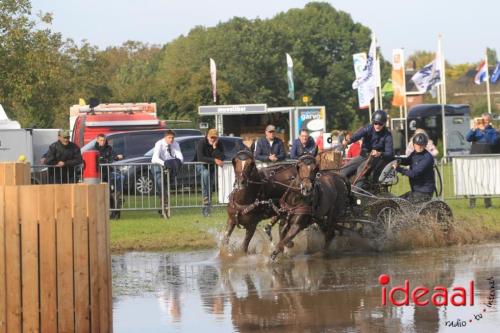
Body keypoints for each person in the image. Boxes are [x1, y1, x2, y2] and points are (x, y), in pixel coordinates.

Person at [340, 110, 393, 188]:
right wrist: (348, 141)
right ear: (373, 122)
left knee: (361, 169)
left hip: (376, 159)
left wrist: (379, 153)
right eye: (375, 123)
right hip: (362, 156)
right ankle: (343, 190)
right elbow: (357, 135)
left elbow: (390, 153)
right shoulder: (367, 128)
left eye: (380, 124)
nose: (377, 126)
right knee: (343, 170)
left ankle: (357, 193)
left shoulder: (387, 135)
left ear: (384, 124)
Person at [465, 113, 498, 208]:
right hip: (474, 159)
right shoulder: (476, 130)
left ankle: (488, 204)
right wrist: (473, 129)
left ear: (489, 120)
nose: (484, 122)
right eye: (483, 120)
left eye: (486, 120)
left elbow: (493, 142)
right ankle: (472, 204)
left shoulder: (493, 131)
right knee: (473, 180)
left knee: (486, 182)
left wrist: (484, 131)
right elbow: (467, 138)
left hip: (487, 160)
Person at [394, 133, 435, 203]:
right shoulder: (415, 153)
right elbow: (407, 160)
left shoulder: (427, 158)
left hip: (424, 193)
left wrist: (399, 169)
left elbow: (414, 174)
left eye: (422, 145)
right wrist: (396, 159)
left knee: (401, 204)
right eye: (417, 144)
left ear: (425, 145)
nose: (419, 147)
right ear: (414, 145)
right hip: (416, 191)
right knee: (395, 202)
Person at [196, 128, 225, 217]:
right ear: (207, 136)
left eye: (215, 137)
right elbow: (201, 157)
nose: (213, 139)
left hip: (211, 167)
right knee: (205, 176)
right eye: (211, 137)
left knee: (210, 188)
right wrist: (214, 160)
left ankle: (207, 209)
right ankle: (206, 208)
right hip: (201, 165)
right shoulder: (202, 143)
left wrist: (215, 148)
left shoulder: (218, 143)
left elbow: (222, 157)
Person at [151, 130, 184, 202]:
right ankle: (163, 201)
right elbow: (154, 159)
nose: (171, 139)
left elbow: (180, 158)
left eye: (172, 138)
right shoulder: (159, 143)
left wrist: (174, 162)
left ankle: (164, 203)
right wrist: (165, 163)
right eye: (169, 138)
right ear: (165, 137)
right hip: (158, 166)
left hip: (170, 166)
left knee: (167, 184)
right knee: (160, 183)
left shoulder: (175, 144)